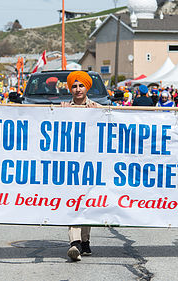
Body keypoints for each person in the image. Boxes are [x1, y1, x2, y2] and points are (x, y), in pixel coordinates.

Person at [60, 71, 99, 262]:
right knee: (72, 201)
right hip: (70, 166)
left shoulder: (98, 108)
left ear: (87, 87)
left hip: (91, 165)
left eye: (81, 85)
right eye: (74, 86)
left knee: (88, 202)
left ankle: (85, 241)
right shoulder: (63, 108)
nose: (77, 89)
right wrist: (61, 113)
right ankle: (74, 242)